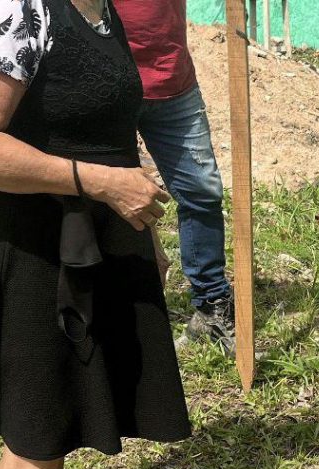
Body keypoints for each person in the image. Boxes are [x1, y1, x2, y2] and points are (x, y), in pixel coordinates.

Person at [0, 0, 192, 469]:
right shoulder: (13, 5)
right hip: (24, 244)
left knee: (52, 418)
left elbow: (107, 129)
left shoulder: (100, 8)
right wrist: (98, 182)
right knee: (35, 427)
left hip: (82, 238)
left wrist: (144, 237)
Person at [115, 0, 236, 354]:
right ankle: (119, 311)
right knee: (104, 199)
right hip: (105, 80)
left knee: (202, 191)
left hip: (172, 81)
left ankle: (211, 307)